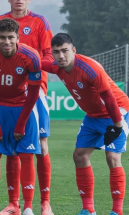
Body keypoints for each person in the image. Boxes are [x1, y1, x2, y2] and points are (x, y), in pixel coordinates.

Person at [0, 0, 54, 215]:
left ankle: (45, 202)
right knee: (10, 148)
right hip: (5, 95)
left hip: (35, 92)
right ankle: (14, 203)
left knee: (40, 146)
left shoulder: (39, 22)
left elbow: (49, 55)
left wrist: (28, 62)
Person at [42, 33, 127, 215]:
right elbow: (36, 63)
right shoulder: (58, 67)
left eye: (65, 51)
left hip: (117, 112)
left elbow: (109, 99)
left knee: (112, 157)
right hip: (93, 115)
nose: (61, 56)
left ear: (73, 50)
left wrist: (118, 126)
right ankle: (88, 209)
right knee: (79, 155)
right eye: (56, 52)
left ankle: (117, 211)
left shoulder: (90, 68)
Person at [0, 18, 42, 215]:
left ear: (18, 38)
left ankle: (28, 207)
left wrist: (21, 123)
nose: (6, 42)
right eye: (2, 38)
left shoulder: (31, 57)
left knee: (26, 155)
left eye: (11, 37)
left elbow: (33, 94)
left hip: (23, 108)